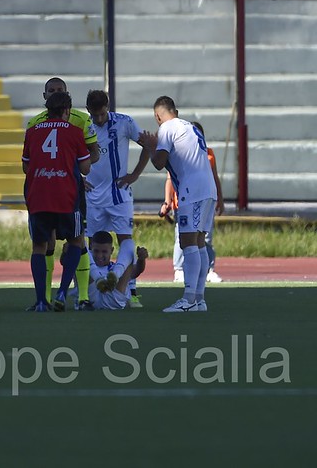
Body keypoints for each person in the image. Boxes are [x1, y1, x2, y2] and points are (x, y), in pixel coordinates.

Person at [138, 96, 217, 313]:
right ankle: (199, 299)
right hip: (208, 189)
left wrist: (150, 146)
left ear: (157, 116)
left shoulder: (167, 128)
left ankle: (189, 299)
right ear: (176, 110)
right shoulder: (191, 127)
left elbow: (159, 162)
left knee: (188, 242)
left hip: (192, 191)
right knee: (199, 242)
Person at [26, 77, 99, 310]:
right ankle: (62, 292)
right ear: (67, 109)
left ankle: (40, 301)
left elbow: (26, 167)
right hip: (67, 195)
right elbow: (86, 166)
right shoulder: (75, 131)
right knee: (76, 240)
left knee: (40, 246)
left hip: (38, 195)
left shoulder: (33, 129)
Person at [84, 89, 150, 308]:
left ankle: (129, 290)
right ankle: (91, 291)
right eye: (95, 115)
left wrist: (135, 174)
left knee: (125, 239)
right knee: (92, 243)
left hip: (119, 193)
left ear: (108, 107)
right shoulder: (83, 126)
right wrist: (77, 177)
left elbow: (148, 145)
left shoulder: (124, 122)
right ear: (89, 111)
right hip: (93, 195)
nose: (99, 119)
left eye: (102, 114)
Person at [159, 121, 224, 283]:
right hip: (184, 202)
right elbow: (170, 178)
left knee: (204, 237)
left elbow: (214, 178)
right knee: (182, 237)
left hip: (204, 200)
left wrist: (220, 199)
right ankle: (179, 269)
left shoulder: (208, 154)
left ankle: (208, 269)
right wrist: (167, 200)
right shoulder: (181, 153)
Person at [87, 231, 148, 311]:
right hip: (90, 297)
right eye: (96, 251)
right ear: (91, 248)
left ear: (112, 250)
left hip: (114, 298)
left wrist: (141, 259)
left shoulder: (115, 266)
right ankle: (98, 278)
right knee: (80, 245)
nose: (100, 255)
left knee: (128, 242)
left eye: (104, 252)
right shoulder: (86, 263)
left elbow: (136, 271)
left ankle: (115, 275)